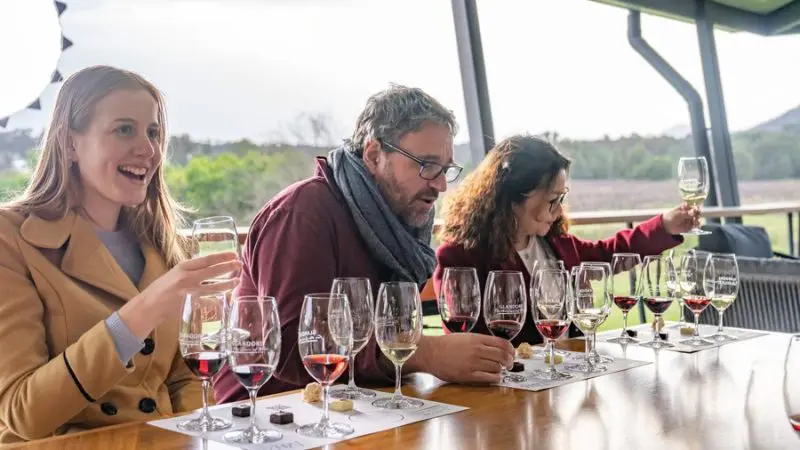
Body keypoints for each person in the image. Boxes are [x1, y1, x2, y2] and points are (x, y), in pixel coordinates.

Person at [213, 85, 516, 403]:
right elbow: (291, 347)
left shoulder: (402, 221)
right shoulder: (304, 210)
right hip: (270, 415)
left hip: (362, 408)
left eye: (445, 170)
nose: (440, 185)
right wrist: (426, 352)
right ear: (373, 156)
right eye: (426, 165)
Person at [0, 65, 241, 444]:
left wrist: (196, 434)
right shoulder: (11, 239)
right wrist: (144, 310)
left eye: (153, 132)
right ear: (70, 143)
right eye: (124, 129)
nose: (148, 149)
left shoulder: (161, 242)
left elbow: (185, 377)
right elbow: (24, 413)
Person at [434, 134, 698, 346]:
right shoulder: (460, 257)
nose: (559, 211)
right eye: (552, 200)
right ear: (511, 196)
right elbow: (465, 344)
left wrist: (664, 225)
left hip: (565, 377)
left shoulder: (554, 243)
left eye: (561, 199)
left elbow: (610, 255)